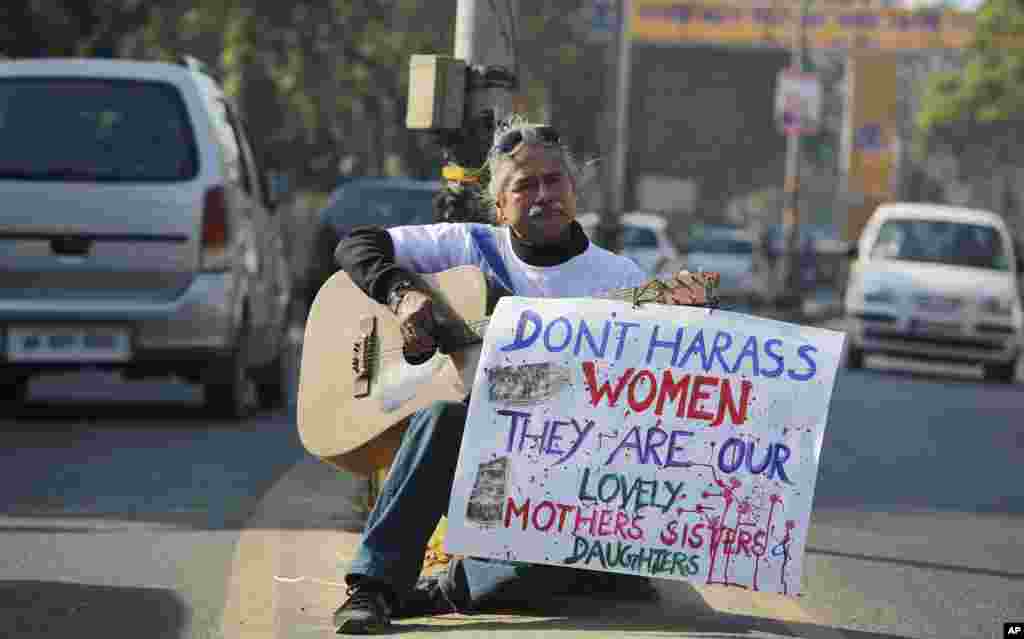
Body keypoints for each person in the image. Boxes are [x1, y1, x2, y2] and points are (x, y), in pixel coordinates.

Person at [331, 116, 713, 634]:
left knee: (587, 581)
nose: (543, 194)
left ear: (574, 189)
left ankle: (463, 584)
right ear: (500, 203)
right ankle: (372, 588)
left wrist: (687, 325)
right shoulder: (469, 248)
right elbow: (357, 245)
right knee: (444, 415)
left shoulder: (621, 279)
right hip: (484, 472)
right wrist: (402, 295)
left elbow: (650, 401)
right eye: (525, 185)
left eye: (554, 180)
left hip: (563, 478)